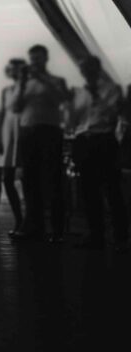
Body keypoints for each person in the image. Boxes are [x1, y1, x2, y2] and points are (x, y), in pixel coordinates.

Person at [66, 56, 129, 252]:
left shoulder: (111, 89)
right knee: (89, 191)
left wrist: (95, 96)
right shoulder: (79, 92)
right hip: (84, 140)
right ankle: (96, 234)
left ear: (97, 69)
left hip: (104, 139)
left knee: (112, 189)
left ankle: (121, 236)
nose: (86, 73)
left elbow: (112, 113)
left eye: (89, 69)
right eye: (83, 69)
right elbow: (73, 119)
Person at [11, 45, 69, 243]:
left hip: (49, 131)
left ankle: (57, 229)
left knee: (52, 179)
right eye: (32, 58)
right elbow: (15, 107)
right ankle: (34, 227)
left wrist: (42, 78)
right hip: (28, 132)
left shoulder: (56, 80)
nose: (34, 62)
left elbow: (61, 99)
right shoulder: (25, 83)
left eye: (38, 58)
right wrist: (22, 82)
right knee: (30, 180)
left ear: (46, 59)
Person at [0, 59, 26, 236]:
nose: (14, 72)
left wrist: (22, 83)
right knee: (7, 179)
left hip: (21, 134)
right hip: (8, 136)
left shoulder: (27, 88)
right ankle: (19, 218)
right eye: (12, 69)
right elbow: (2, 114)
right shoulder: (6, 91)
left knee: (25, 179)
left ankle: (27, 220)